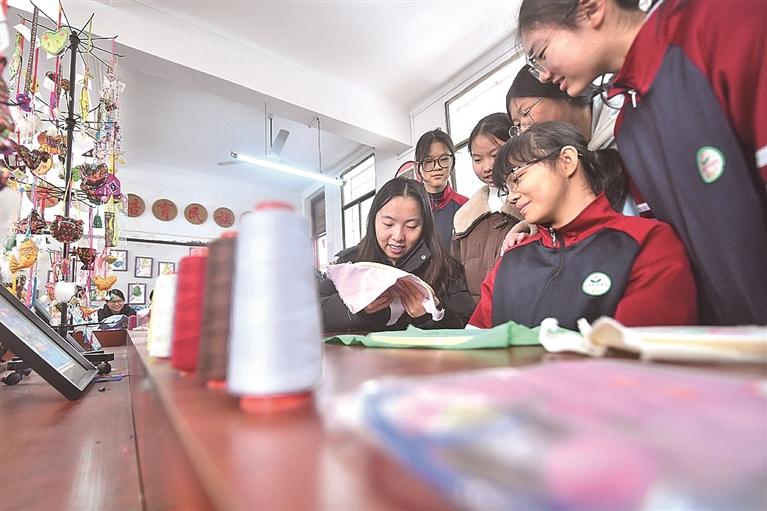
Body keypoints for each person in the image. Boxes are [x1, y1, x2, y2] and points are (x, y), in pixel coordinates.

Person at [515, 0, 767, 325]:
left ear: (591, 8)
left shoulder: (721, 25)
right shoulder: (630, 125)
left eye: (541, 53)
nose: (544, 74)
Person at [470, 122, 697, 330]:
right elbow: (472, 345)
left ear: (566, 161)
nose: (512, 197)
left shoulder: (646, 243)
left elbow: (639, 353)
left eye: (517, 178)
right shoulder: (509, 262)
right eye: (507, 188)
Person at [320, 178, 474, 332]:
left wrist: (431, 317)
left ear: (425, 226)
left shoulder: (444, 267)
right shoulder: (351, 263)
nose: (398, 236)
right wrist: (356, 308)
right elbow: (313, 311)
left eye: (411, 226)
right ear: (373, 220)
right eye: (388, 224)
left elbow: (467, 324)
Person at [506, 66, 634, 214]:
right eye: (517, 125)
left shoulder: (625, 113)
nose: (525, 129)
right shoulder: (569, 160)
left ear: (560, 88)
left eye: (525, 112)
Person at [451, 113, 524, 304]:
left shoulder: (533, 204)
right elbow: (456, 280)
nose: (487, 167)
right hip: (479, 316)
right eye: (477, 159)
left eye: (495, 155)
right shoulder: (463, 219)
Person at [414, 129, 468, 245]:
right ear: (418, 167)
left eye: (444, 159)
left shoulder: (466, 206)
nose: (437, 167)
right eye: (429, 161)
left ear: (452, 162)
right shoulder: (411, 207)